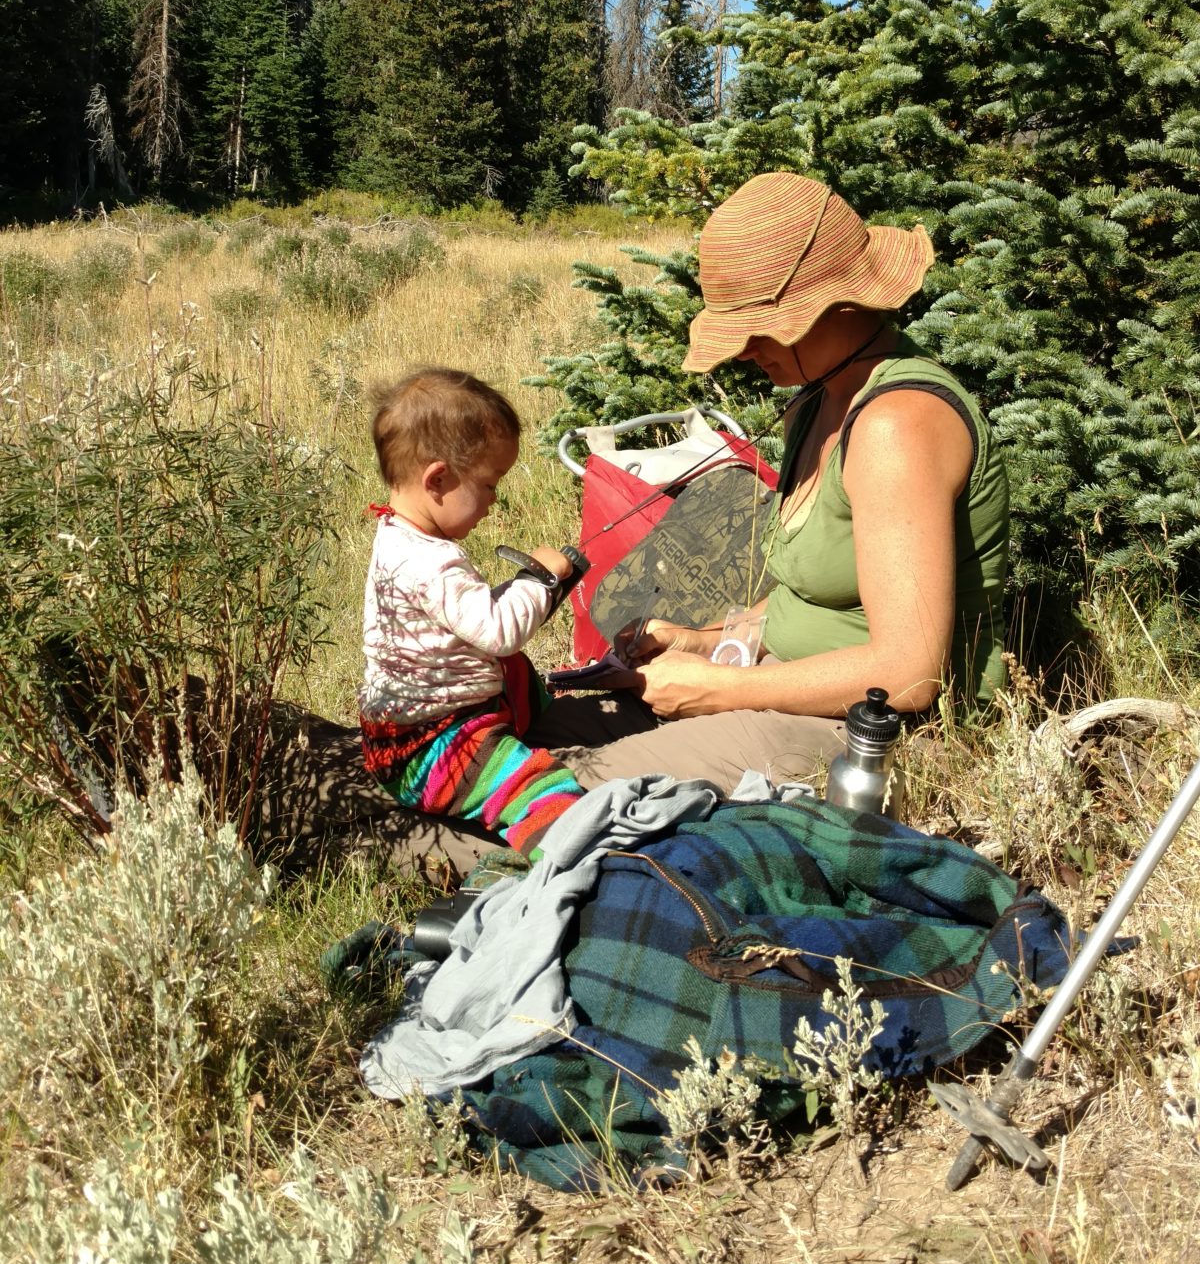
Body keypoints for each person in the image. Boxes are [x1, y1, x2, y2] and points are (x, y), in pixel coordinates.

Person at [526, 171, 1010, 794]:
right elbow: (812, 598)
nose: (748, 351)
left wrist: (720, 692)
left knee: (554, 790)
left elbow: (910, 671)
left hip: (867, 734)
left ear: (838, 305)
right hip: (782, 689)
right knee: (522, 737)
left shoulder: (897, 423)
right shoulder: (817, 401)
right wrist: (701, 643)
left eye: (761, 329)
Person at [356, 368, 586, 859]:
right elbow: (499, 632)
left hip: (416, 723)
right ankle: (562, 872)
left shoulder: (398, 537)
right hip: (431, 747)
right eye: (488, 483)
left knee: (520, 677)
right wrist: (539, 578)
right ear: (437, 479)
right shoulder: (431, 562)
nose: (494, 500)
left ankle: (527, 718)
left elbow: (466, 620)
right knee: (548, 796)